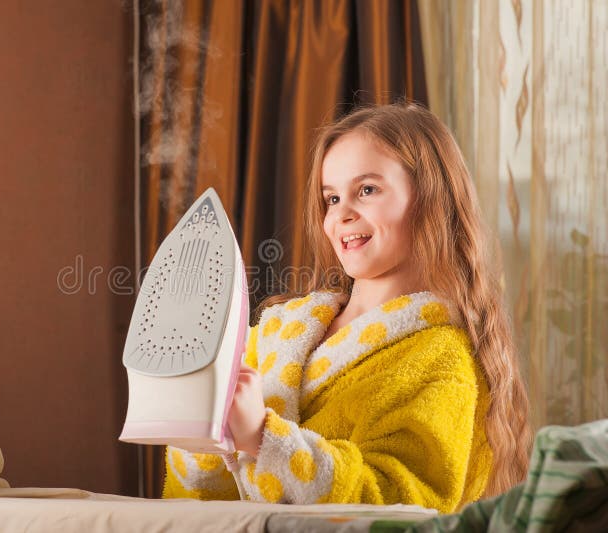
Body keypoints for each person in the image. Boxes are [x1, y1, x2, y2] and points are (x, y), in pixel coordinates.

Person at [162, 102, 531, 513]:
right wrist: (204, 435)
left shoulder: (440, 358)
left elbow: (403, 506)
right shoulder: (276, 333)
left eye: (367, 190)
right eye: (332, 197)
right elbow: (201, 503)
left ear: (431, 199)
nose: (342, 214)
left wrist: (263, 438)